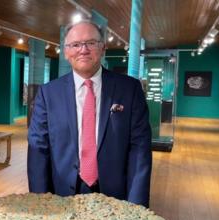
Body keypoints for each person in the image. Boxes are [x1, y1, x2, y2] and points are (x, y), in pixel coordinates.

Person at [27, 21, 152, 207]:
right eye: (75, 45)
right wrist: (41, 204)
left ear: (103, 48)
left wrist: (137, 207)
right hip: (61, 197)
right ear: (66, 52)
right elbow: (38, 151)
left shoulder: (129, 90)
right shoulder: (48, 94)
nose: (83, 50)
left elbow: (140, 150)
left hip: (116, 197)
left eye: (91, 43)